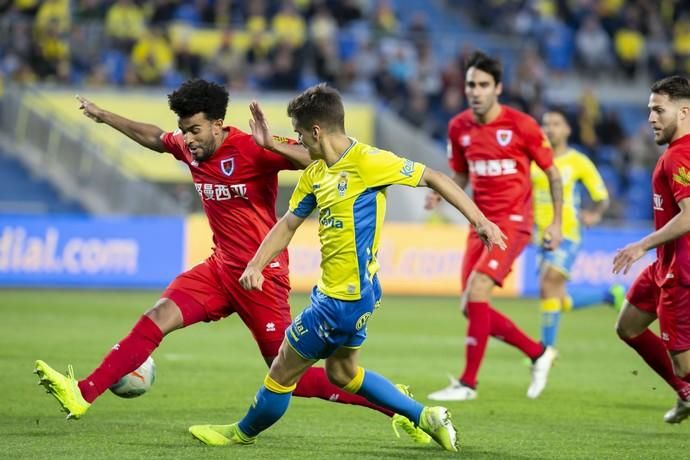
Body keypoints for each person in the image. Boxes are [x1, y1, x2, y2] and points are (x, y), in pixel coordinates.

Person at [33, 79, 429, 443]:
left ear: (219, 124)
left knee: (289, 374)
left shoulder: (252, 146)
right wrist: (103, 117)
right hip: (219, 269)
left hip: (262, 277)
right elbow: (155, 137)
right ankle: (82, 393)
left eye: (195, 130)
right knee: (157, 316)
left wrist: (273, 145)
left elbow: (318, 159)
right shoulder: (189, 150)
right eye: (184, 130)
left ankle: (395, 405)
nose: (187, 139)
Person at [187, 83, 507, 451]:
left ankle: (239, 433)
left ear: (316, 131)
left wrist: (479, 221)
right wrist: (257, 263)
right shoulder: (315, 173)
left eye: (299, 135)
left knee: (281, 371)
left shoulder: (370, 162)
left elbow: (435, 177)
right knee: (343, 373)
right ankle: (425, 416)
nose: (299, 143)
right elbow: (288, 223)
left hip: (343, 299)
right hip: (349, 294)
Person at [425, 51, 562, 401]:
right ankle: (538, 352)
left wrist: (557, 222)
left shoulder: (522, 125)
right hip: (479, 222)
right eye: (471, 84)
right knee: (470, 306)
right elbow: (460, 173)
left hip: (514, 222)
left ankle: (468, 384)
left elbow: (551, 171)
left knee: (479, 291)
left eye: (483, 85)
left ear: (498, 88)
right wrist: (441, 194)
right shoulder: (458, 127)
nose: (475, 91)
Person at [613, 75, 690, 424]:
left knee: (685, 366)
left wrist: (641, 244)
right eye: (649, 110)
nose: (650, 118)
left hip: (681, 272)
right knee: (628, 325)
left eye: (659, 110)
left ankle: (685, 386)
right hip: (664, 264)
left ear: (684, 112)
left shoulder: (680, 157)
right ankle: (686, 394)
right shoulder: (675, 154)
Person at [532, 108, 610, 347]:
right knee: (556, 296)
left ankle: (546, 351)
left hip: (567, 233)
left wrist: (594, 215)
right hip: (541, 236)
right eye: (546, 124)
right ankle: (608, 295)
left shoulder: (578, 161)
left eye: (556, 123)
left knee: (548, 283)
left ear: (567, 129)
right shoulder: (533, 159)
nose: (549, 129)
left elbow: (601, 197)